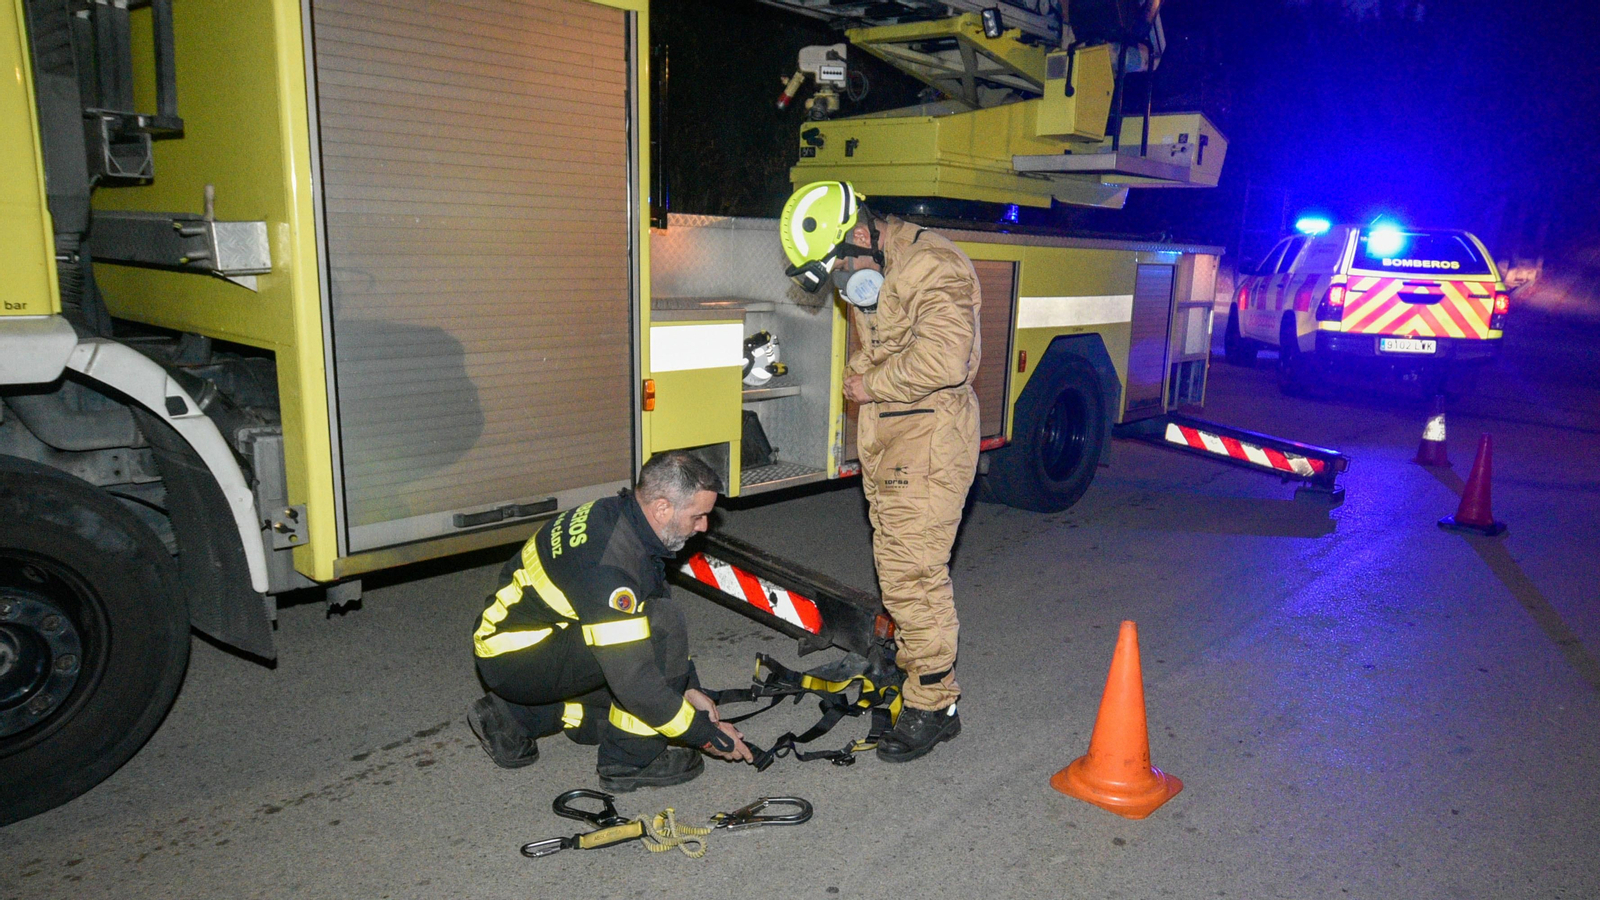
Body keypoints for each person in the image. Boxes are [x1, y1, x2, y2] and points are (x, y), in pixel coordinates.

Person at [778, 181, 981, 762]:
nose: (842, 280)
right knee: (897, 563)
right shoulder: (873, 264)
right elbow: (884, 343)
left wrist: (871, 385)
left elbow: (944, 359)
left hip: (930, 438)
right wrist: (862, 376)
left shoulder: (933, 266)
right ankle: (918, 669)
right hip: (893, 436)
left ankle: (934, 703)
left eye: (838, 263)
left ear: (861, 234)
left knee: (913, 573)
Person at [467, 451, 753, 791]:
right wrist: (705, 736)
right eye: (698, 515)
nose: (704, 526)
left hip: (519, 643)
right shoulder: (609, 568)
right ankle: (631, 760)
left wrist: (690, 686)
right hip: (517, 659)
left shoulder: (619, 516)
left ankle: (511, 717)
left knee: (626, 708)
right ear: (662, 508)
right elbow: (635, 679)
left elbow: (652, 591)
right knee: (657, 641)